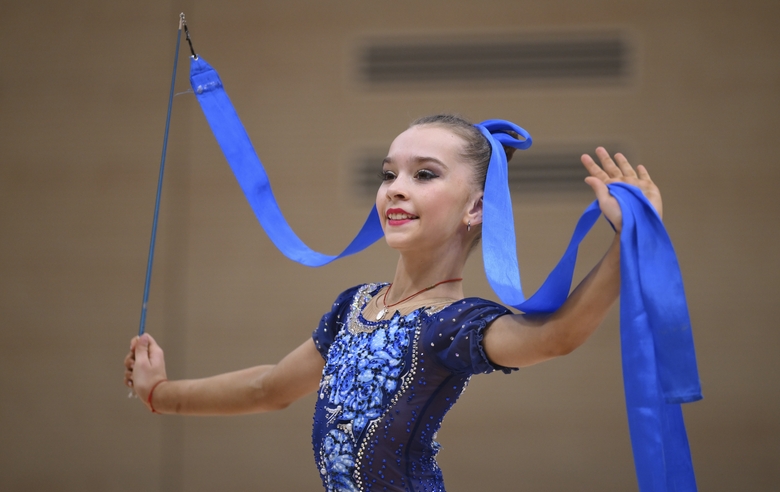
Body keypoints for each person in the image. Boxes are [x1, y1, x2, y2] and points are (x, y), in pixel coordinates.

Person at [124, 114, 662, 491]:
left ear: (476, 208)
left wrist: (629, 242)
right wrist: (160, 395)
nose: (395, 188)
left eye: (424, 174)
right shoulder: (352, 308)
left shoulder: (454, 324)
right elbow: (270, 388)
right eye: (389, 174)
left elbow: (557, 336)